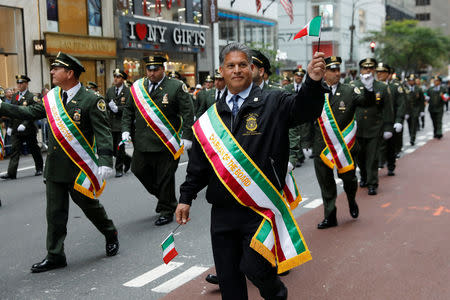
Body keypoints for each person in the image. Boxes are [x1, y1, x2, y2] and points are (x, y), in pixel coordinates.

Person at [176, 42, 326, 300]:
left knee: (256, 268)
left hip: (260, 208)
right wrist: (186, 197)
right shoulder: (211, 116)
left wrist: (312, 82)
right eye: (231, 66)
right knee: (229, 278)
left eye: (243, 65)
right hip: (222, 211)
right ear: (221, 71)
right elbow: (199, 164)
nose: (237, 70)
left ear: (253, 69)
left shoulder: (274, 101)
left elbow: (305, 110)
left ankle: (277, 294)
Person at [0, 52, 119, 273]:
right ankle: (55, 255)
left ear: (70, 73)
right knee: (54, 213)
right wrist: (2, 106)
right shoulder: (52, 98)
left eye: (56, 69)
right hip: (55, 167)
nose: (52, 72)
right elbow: (27, 111)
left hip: (79, 167)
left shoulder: (91, 100)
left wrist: (105, 160)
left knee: (90, 207)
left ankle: (110, 231)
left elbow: (103, 132)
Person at [121, 55, 194, 226]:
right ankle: (166, 198)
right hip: (142, 142)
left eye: (156, 69)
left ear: (163, 69)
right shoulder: (138, 87)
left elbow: (188, 114)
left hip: (166, 143)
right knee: (138, 169)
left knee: (165, 178)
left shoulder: (176, 87)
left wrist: (187, 136)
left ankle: (166, 209)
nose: (152, 73)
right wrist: (125, 130)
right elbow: (128, 112)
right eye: (149, 70)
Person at [313, 56, 374, 229]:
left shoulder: (349, 90)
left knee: (349, 179)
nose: (337, 73)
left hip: (345, 147)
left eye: (338, 69)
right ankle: (330, 216)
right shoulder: (315, 90)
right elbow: (307, 118)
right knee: (326, 184)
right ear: (324, 72)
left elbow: (366, 103)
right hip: (321, 146)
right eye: (332, 70)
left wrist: (369, 87)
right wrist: (306, 143)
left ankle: (351, 200)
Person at [352, 58, 394, 195]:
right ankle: (364, 176)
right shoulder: (353, 85)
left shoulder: (382, 87)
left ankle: (372, 183)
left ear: (374, 70)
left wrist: (388, 127)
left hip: (375, 128)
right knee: (360, 157)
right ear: (361, 70)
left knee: (372, 157)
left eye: (371, 68)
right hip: (357, 128)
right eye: (365, 68)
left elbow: (388, 109)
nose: (368, 71)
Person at [1, 75, 43, 180]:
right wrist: (10, 126)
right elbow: (12, 112)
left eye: (21, 83)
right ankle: (11, 172)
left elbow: (33, 112)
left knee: (34, 149)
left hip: (28, 129)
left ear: (26, 84)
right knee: (15, 150)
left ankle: (39, 168)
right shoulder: (15, 96)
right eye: (18, 83)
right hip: (16, 128)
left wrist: (24, 124)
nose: (19, 85)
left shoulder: (31, 97)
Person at [376, 63, 405, 175]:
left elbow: (401, 105)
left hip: (390, 121)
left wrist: (399, 121)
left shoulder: (395, 87)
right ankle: (379, 161)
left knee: (390, 146)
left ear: (388, 74)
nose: (379, 74)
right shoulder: (372, 86)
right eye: (378, 72)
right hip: (376, 122)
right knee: (376, 145)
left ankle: (391, 166)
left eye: (382, 72)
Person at [105, 69, 132, 177]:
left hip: (122, 124)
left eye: (118, 77)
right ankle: (127, 159)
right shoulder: (110, 90)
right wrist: (109, 106)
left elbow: (129, 107)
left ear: (123, 79)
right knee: (112, 149)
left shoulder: (128, 91)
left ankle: (119, 169)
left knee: (119, 148)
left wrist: (118, 108)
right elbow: (105, 102)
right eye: (115, 76)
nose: (115, 79)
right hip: (111, 124)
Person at [404, 74, 424, 145]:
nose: (411, 82)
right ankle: (411, 135)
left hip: (416, 109)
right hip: (407, 110)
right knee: (409, 124)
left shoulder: (418, 89)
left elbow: (422, 101)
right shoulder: (404, 89)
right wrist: (405, 112)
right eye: (410, 81)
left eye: (413, 80)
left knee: (414, 123)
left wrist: (422, 111)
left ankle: (412, 138)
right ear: (408, 81)